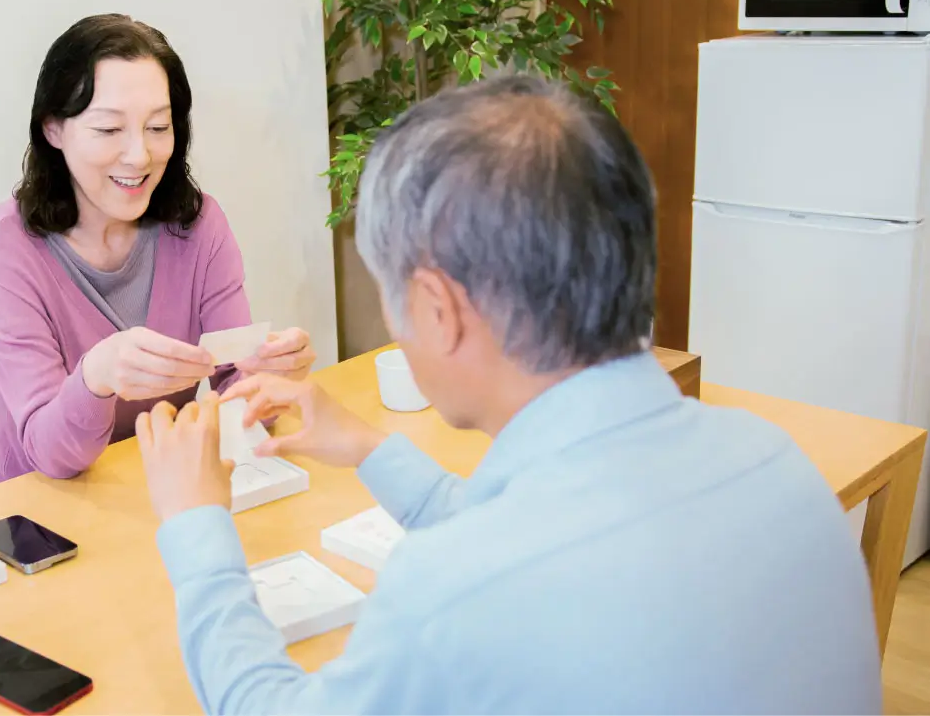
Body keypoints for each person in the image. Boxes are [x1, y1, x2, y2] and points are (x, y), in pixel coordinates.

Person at [135, 75, 882, 714]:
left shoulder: (456, 589)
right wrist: (369, 447)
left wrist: (198, 529)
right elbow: (548, 542)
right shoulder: (773, 461)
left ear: (437, 309)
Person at [0, 14, 315, 483]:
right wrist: (98, 376)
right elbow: (49, 455)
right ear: (53, 129)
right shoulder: (5, 246)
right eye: (109, 130)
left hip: (154, 480)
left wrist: (269, 380)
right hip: (43, 505)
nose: (139, 156)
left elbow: (235, 390)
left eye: (158, 127)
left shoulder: (199, 226)